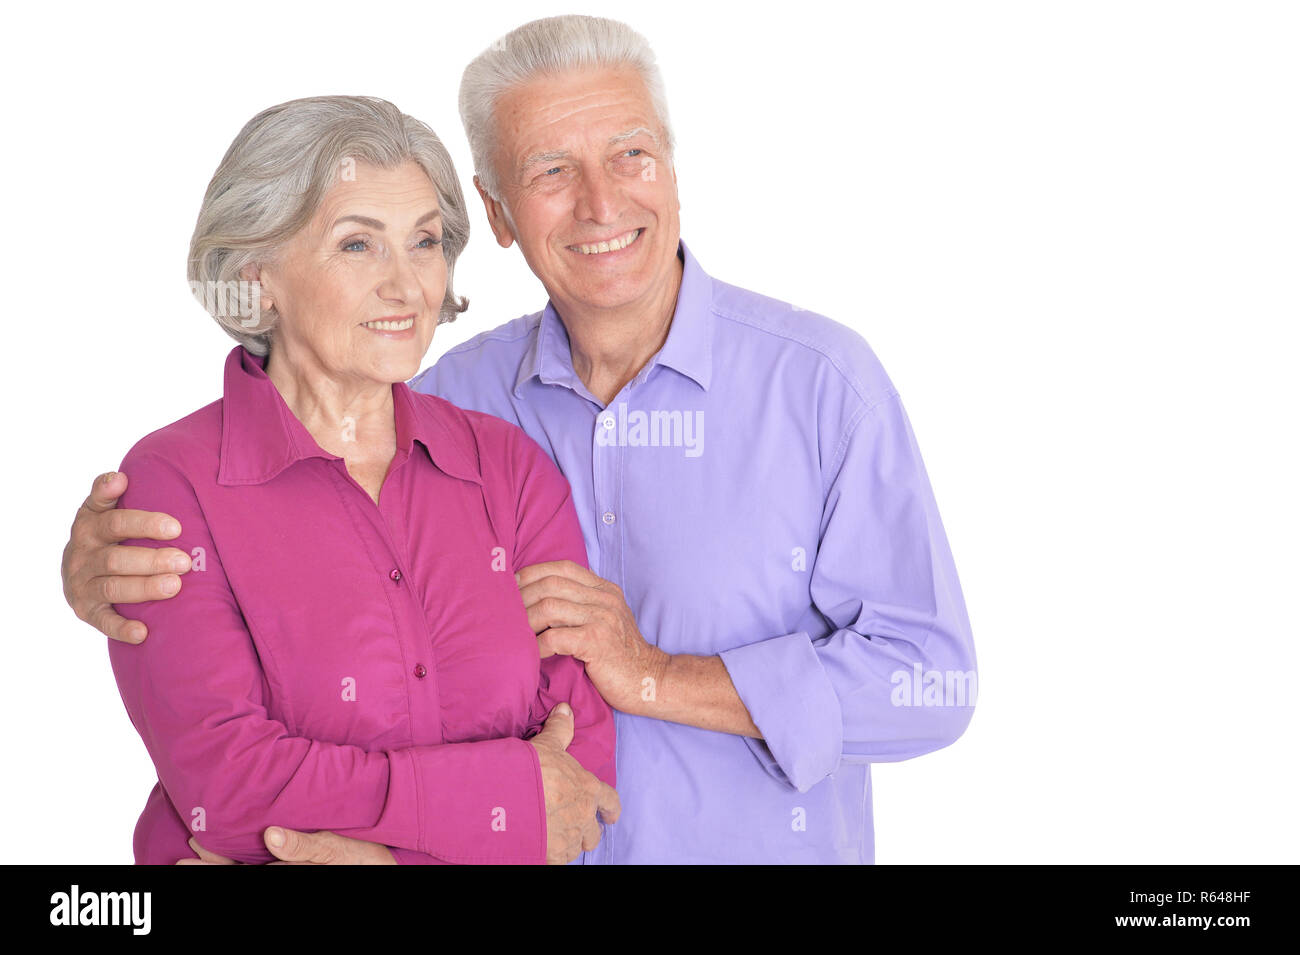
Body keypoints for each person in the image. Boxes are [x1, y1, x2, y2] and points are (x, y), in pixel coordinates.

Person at [64, 16, 974, 864]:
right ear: (498, 216)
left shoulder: (822, 387)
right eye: (550, 172)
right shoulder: (440, 400)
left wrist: (655, 675)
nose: (601, 201)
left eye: (631, 155)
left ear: (673, 169)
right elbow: (246, 724)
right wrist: (102, 561)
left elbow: (929, 680)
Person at [91, 94, 617, 864]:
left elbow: (580, 784)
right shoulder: (171, 489)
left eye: (424, 241)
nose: (406, 286)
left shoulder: (507, 469)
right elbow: (228, 789)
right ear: (256, 276)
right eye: (357, 246)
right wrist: (499, 797)